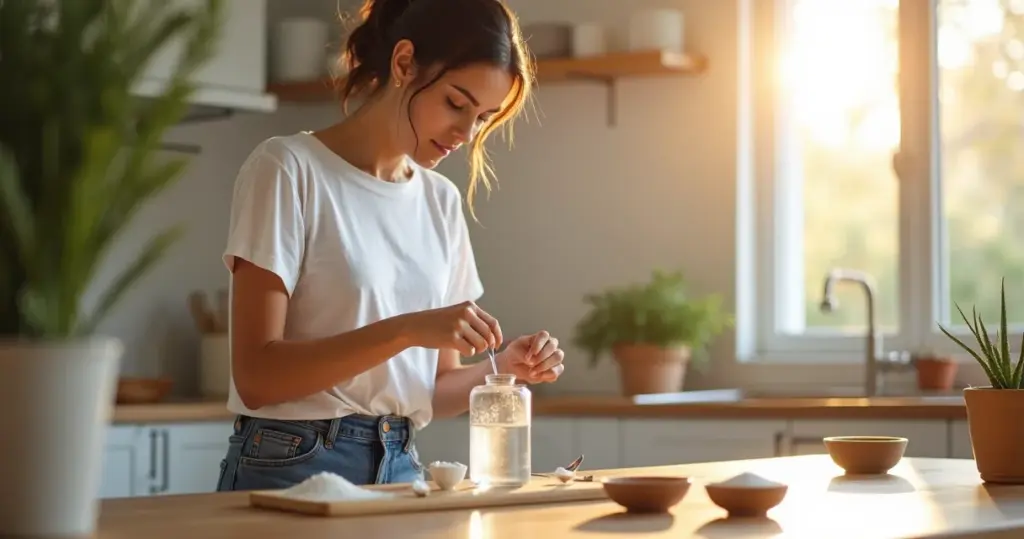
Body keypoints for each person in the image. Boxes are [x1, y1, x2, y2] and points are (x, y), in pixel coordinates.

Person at [215, 0, 566, 492]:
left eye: (483, 117)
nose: (466, 134)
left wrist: (501, 367)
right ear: (403, 64)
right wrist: (406, 330)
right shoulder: (287, 168)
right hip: (291, 461)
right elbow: (256, 376)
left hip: (401, 464)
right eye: (455, 103)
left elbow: (434, 391)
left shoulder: (439, 201)